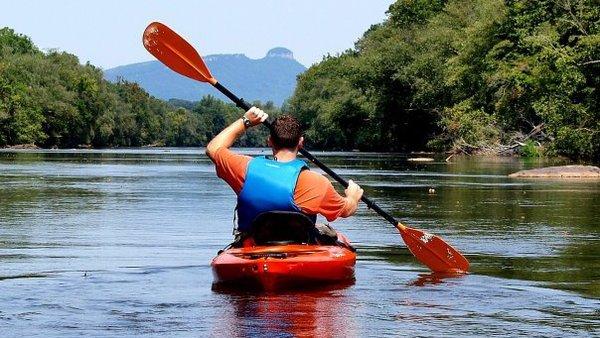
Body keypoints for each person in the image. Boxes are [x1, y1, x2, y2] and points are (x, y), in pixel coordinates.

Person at [205, 106, 363, 243]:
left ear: (269, 141)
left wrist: (245, 121)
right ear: (300, 143)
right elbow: (346, 210)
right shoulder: (317, 182)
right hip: (300, 248)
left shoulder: (244, 168)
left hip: (252, 249)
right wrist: (353, 197)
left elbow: (213, 149)